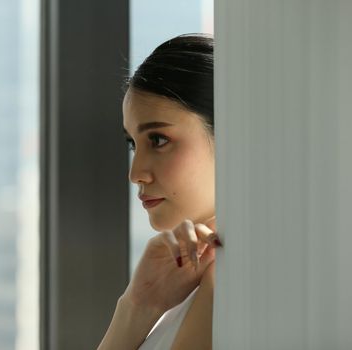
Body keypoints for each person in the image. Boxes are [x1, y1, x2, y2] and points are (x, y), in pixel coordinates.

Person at [98, 33, 220, 350]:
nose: (136, 173)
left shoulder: (229, 282)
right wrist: (136, 307)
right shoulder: (191, 284)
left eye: (158, 140)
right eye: (132, 144)